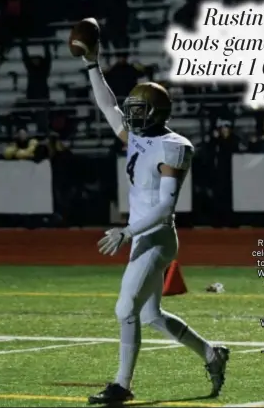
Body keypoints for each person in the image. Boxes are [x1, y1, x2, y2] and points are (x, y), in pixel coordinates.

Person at [77, 39, 229, 405]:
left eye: (139, 109)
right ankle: (212, 353)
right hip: (145, 237)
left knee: (125, 308)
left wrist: (127, 231)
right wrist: (92, 64)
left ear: (157, 112)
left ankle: (121, 384)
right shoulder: (139, 138)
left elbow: (165, 207)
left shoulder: (174, 146)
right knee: (150, 315)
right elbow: (108, 106)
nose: (131, 115)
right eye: (132, 109)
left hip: (157, 237)